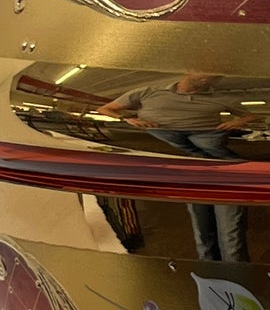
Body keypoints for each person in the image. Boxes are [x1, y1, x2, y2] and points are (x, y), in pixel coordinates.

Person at [104, 74, 251, 262]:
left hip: (223, 169)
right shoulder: (148, 92)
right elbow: (106, 109)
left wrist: (239, 121)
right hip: (185, 169)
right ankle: (209, 272)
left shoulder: (221, 97)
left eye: (216, 76)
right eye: (205, 72)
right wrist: (127, 119)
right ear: (188, 69)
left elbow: (252, 115)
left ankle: (237, 279)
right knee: (201, 229)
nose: (210, 78)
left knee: (231, 233)